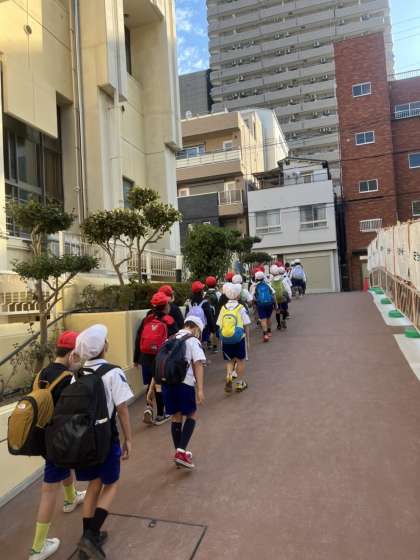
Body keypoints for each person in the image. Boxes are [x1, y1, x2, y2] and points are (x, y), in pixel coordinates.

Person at [74, 324, 133, 560]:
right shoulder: (112, 372)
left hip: (84, 440)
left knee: (93, 485)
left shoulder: (78, 374)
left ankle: (88, 538)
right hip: (106, 438)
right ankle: (90, 537)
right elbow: (122, 408)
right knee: (111, 485)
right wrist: (129, 438)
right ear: (104, 346)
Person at [29, 331, 85, 560]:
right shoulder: (68, 378)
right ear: (72, 355)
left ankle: (71, 498)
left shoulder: (41, 373)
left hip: (42, 436)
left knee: (62, 467)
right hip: (59, 439)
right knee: (49, 490)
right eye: (79, 356)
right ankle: (38, 547)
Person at [148, 316, 206, 470]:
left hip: (166, 383)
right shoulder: (192, 340)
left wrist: (151, 388)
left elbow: (159, 363)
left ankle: (179, 453)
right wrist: (200, 389)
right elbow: (198, 364)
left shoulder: (170, 339)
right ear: (196, 328)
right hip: (184, 383)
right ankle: (181, 452)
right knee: (191, 414)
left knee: (176, 416)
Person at [134, 292, 178, 425]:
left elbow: (138, 339)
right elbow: (175, 341)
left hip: (145, 357)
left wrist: (136, 358)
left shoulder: (147, 319)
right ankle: (160, 414)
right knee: (159, 385)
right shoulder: (169, 321)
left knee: (149, 384)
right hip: (160, 359)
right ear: (166, 306)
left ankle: (148, 407)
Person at [218, 283, 251, 393]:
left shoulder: (223, 308)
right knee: (240, 360)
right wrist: (248, 340)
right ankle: (240, 383)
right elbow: (246, 324)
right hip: (239, 338)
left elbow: (219, 324)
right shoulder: (240, 308)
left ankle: (229, 376)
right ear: (238, 295)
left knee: (229, 360)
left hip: (226, 339)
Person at [185, 281, 216, 350]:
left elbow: (186, 317)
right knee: (201, 348)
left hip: (191, 329)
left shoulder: (189, 303)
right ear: (201, 291)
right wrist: (213, 329)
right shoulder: (205, 303)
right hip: (203, 331)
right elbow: (209, 317)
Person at [251, 270, 275, 342]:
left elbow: (252, 296)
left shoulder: (254, 286)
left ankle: (265, 334)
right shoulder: (267, 284)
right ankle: (269, 331)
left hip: (261, 304)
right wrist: (275, 304)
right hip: (269, 303)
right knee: (268, 317)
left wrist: (255, 301)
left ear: (256, 278)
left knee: (263, 319)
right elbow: (273, 293)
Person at [270, 265, 292, 330]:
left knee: (277, 311)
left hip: (275, 299)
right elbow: (287, 288)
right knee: (285, 310)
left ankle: (279, 325)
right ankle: (283, 320)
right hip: (283, 297)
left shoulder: (271, 281)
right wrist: (289, 296)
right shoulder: (283, 279)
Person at [205, 276, 221, 353]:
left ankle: (209, 343)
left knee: (208, 328)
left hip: (207, 314)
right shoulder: (218, 294)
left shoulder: (205, 294)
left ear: (206, 285)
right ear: (215, 284)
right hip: (215, 315)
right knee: (214, 330)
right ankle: (215, 347)